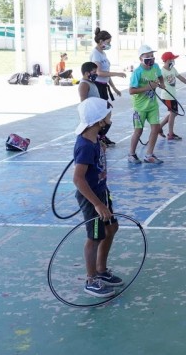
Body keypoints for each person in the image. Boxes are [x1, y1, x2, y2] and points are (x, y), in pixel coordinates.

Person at [73, 97, 123, 298]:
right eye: (108, 116)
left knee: (111, 227)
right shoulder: (85, 145)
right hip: (92, 197)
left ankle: (101, 270)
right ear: (99, 121)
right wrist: (97, 205)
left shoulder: (95, 139)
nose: (110, 119)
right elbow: (78, 179)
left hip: (102, 192)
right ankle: (91, 279)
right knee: (95, 236)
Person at [128, 44, 166, 165]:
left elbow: (160, 76)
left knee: (155, 128)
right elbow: (131, 91)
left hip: (153, 105)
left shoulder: (155, 67)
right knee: (138, 131)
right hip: (140, 107)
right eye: (147, 56)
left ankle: (149, 154)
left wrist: (162, 83)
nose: (151, 58)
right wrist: (148, 87)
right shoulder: (137, 73)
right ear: (141, 58)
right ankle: (131, 154)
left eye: (152, 56)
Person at [90, 27, 125, 146]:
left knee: (107, 114)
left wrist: (114, 88)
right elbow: (100, 73)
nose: (109, 44)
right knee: (104, 114)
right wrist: (118, 73)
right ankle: (98, 137)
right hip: (98, 86)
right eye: (108, 42)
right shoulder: (95, 54)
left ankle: (101, 136)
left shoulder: (103, 53)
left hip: (104, 86)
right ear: (101, 41)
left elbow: (107, 73)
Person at [158, 51, 186, 141]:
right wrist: (159, 84)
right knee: (173, 113)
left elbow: (181, 78)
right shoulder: (162, 71)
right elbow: (156, 81)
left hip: (172, 95)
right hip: (167, 96)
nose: (173, 61)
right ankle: (170, 134)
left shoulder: (173, 69)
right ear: (168, 60)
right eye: (172, 59)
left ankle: (159, 127)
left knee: (174, 113)